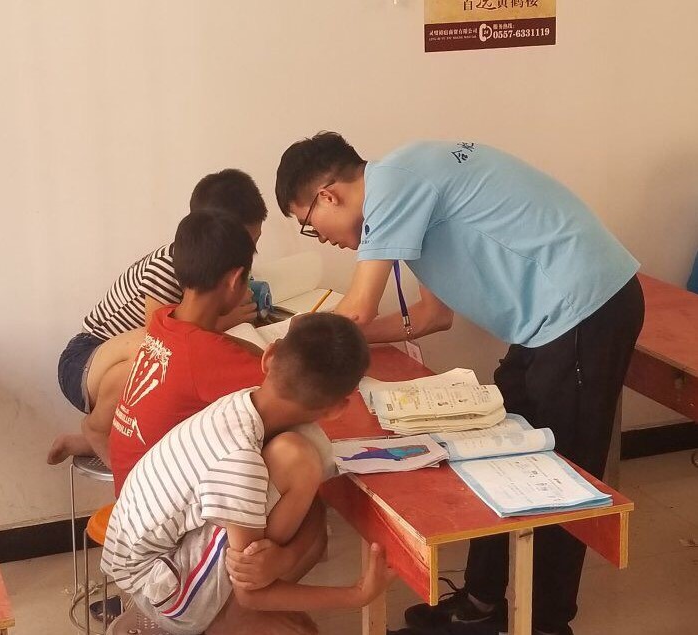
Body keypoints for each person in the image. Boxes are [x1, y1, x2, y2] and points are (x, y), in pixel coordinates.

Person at [275, 132, 645, 635]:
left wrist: (290, 345)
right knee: (496, 451)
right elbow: (432, 316)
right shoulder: (405, 188)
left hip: (585, 308)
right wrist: (335, 336)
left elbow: (357, 310)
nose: (325, 239)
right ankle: (480, 604)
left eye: (310, 226)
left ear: (327, 196)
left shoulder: (393, 187)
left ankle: (547, 623)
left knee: (561, 477)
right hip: (550, 322)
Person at [102, 312, 395, 635]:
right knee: (298, 459)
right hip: (161, 591)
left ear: (268, 356)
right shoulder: (240, 462)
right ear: (338, 408)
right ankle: (227, 619)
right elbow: (252, 592)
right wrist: (357, 594)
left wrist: (284, 558)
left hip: (145, 556)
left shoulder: (242, 405)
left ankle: (238, 607)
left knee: (301, 457)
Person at [48, 169, 266, 466]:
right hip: (85, 361)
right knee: (162, 354)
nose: (251, 253)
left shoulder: (199, 270)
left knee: (182, 379)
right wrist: (226, 322)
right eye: (248, 244)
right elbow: (162, 337)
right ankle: (98, 428)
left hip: (122, 364)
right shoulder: (167, 266)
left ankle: (89, 441)